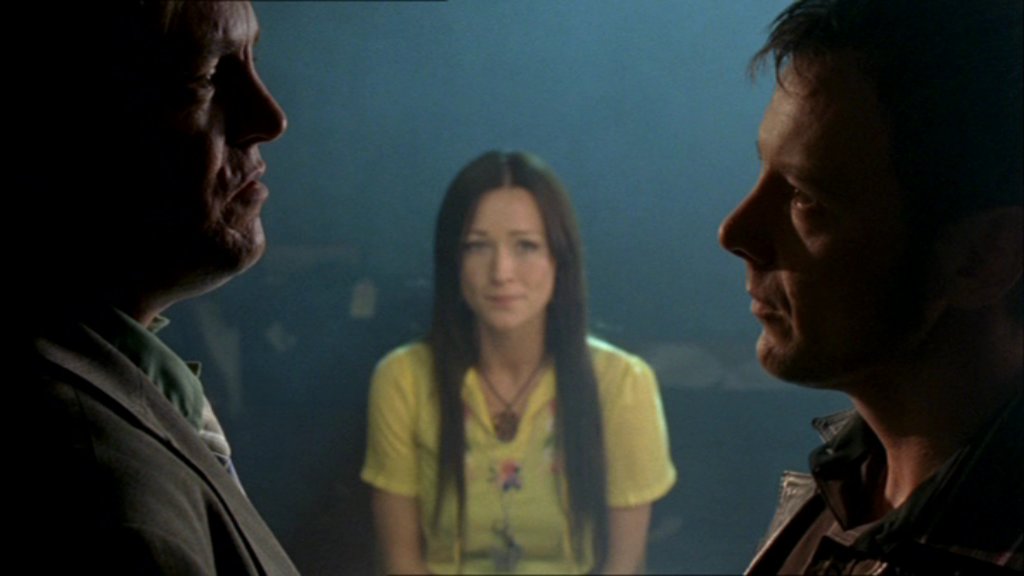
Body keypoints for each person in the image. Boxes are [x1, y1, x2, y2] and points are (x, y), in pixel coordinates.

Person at [718, 0, 1022, 573]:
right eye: (764, 174)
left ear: (982, 256)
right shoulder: (844, 495)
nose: (736, 232)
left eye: (805, 198)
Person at [17, 1, 297, 573]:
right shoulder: (104, 498)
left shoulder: (118, 377)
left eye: (251, 58)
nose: (269, 117)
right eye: (207, 75)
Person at [362, 150, 676, 574]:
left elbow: (624, 565)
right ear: (452, 261)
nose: (502, 272)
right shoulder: (404, 379)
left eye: (526, 246)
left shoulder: (622, 384)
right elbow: (400, 563)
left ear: (559, 258)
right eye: (477, 246)